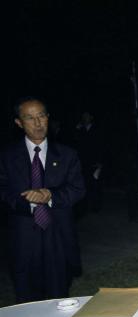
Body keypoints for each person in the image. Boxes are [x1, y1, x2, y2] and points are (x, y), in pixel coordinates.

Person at [0, 97, 85, 303]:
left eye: (41, 116)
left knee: (59, 303)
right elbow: (2, 191)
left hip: (58, 240)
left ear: (48, 118)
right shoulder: (7, 157)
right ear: (19, 123)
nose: (37, 123)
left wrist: (50, 196)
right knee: (28, 305)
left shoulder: (67, 154)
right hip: (23, 241)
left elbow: (78, 189)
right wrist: (27, 201)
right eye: (29, 118)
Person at [74, 111, 104, 214]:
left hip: (95, 162)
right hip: (83, 161)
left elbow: (101, 146)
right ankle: (85, 207)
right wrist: (77, 130)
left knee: (95, 184)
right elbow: (77, 145)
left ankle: (96, 206)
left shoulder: (97, 129)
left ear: (91, 117)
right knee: (85, 184)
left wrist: (100, 161)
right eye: (83, 116)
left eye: (87, 116)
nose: (85, 118)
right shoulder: (80, 130)